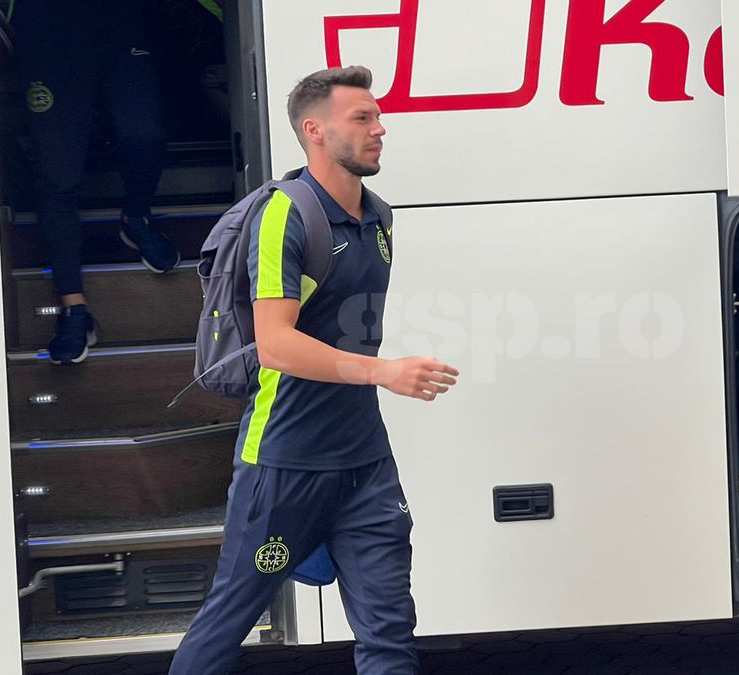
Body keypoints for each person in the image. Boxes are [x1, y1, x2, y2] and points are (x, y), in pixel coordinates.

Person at [168, 66, 460, 675]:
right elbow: (275, 344)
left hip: (365, 464)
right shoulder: (287, 215)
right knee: (227, 627)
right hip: (283, 461)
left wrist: (375, 378)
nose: (381, 128)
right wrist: (382, 372)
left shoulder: (379, 216)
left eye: (377, 116)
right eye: (363, 118)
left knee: (390, 634)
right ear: (315, 131)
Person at [13, 0, 181, 364]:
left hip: (120, 22)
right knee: (58, 176)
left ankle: (135, 218)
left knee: (145, 135)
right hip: (46, 32)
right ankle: (74, 309)